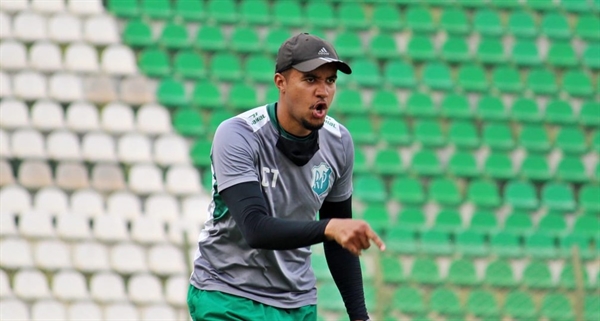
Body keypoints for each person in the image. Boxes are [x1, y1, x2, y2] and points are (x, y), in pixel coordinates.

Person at [187, 33, 386, 321]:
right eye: (310, 80)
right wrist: (329, 227)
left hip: (297, 304)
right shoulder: (238, 135)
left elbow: (338, 240)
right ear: (280, 82)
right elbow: (255, 228)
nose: (323, 91)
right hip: (227, 296)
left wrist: (360, 317)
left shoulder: (339, 142)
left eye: (330, 81)